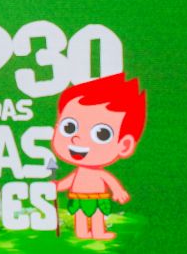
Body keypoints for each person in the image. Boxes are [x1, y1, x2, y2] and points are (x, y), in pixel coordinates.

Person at [51, 73, 146, 240]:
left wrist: (118, 190)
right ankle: (82, 232)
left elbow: (110, 180)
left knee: (97, 215)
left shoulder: (99, 173)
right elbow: (68, 182)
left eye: (101, 134)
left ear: (124, 145)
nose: (77, 138)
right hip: (78, 197)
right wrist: (57, 186)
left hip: (98, 197)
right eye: (69, 127)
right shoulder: (78, 172)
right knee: (80, 215)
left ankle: (99, 232)